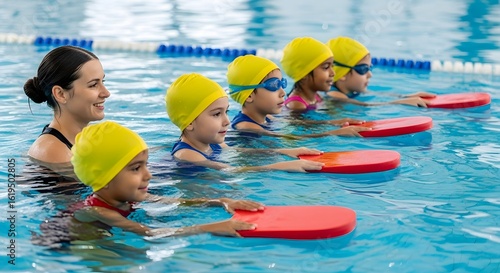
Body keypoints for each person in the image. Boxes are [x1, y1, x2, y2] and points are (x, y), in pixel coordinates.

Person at [33, 121, 264, 246]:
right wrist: (210, 227)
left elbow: (178, 202)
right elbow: (151, 233)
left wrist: (221, 201)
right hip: (63, 242)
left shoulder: (127, 196)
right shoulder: (97, 211)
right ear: (105, 177)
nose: (149, 175)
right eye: (136, 168)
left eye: (146, 165)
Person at [165, 73, 325, 172]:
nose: (227, 121)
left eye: (225, 112)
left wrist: (283, 151)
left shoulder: (211, 143)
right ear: (190, 122)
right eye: (216, 114)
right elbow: (232, 170)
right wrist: (279, 166)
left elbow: (239, 151)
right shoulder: (187, 154)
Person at [227, 54, 371, 138]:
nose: (283, 92)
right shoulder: (246, 125)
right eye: (273, 86)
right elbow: (289, 138)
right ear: (249, 95)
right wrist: (334, 132)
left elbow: (299, 124)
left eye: (282, 84)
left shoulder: (268, 118)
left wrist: (334, 122)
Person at [24, 45, 110, 164]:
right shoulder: (52, 151)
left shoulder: (92, 137)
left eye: (102, 81)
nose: (106, 93)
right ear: (60, 94)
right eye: (93, 85)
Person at [326, 36, 435, 107]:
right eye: (363, 69)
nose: (370, 74)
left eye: (370, 68)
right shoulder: (334, 94)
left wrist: (405, 97)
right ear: (342, 74)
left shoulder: (352, 89)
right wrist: (399, 103)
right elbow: (364, 105)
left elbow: (377, 94)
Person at [279, 37, 338, 112]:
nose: (333, 73)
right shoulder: (296, 104)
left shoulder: (317, 97)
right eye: (326, 67)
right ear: (304, 74)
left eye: (332, 66)